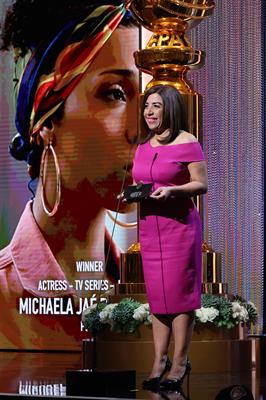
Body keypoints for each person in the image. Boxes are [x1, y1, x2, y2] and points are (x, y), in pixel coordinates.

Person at [0, 0, 139, 350]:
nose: (143, 128)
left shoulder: (154, 292)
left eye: (151, 102)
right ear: (47, 119)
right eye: (115, 94)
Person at [132, 84, 208, 390]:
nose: (149, 112)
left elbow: (201, 184)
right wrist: (131, 194)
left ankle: (179, 364)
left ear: (171, 109)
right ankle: (158, 362)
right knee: (158, 298)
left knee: (179, 297)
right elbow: (142, 183)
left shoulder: (188, 142)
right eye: (147, 106)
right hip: (150, 230)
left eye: (156, 106)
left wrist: (173, 191)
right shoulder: (142, 146)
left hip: (179, 228)